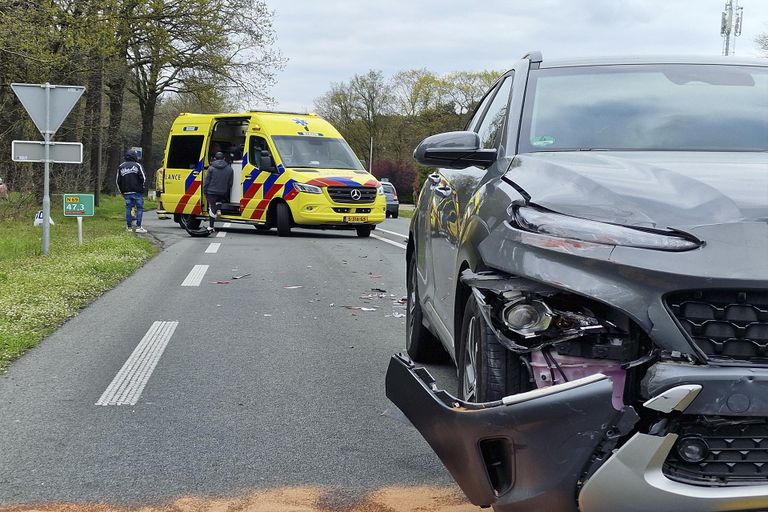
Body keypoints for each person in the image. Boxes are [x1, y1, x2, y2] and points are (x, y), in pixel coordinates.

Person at [116, 149, 146, 233]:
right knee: (139, 208)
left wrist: (121, 191)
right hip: (137, 192)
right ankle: (138, 227)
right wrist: (142, 187)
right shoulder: (138, 165)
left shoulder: (121, 166)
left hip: (126, 192)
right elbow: (143, 178)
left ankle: (129, 227)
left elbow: (118, 181)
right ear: (135, 156)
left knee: (128, 208)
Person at [203, 151, 233, 233]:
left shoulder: (211, 168)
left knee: (211, 207)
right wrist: (226, 190)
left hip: (211, 191)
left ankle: (211, 226)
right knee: (218, 200)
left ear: (215, 159)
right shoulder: (230, 169)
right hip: (222, 191)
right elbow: (230, 183)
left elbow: (207, 181)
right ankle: (219, 209)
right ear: (224, 158)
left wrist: (204, 190)